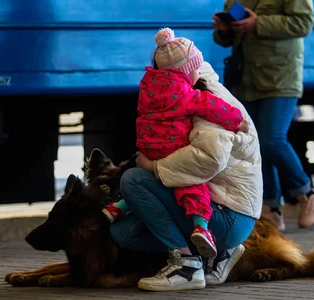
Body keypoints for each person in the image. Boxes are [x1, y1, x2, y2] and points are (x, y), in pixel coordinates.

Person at [109, 60, 263, 291]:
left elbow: (208, 160)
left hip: (229, 214)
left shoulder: (208, 108)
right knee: (125, 233)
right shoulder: (201, 93)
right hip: (224, 209)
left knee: (134, 179)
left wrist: (152, 165)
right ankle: (219, 253)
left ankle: (187, 267)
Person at [103, 27, 249, 259]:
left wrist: (152, 164)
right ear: (187, 70)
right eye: (194, 67)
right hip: (174, 148)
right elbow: (211, 107)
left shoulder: (147, 86)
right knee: (192, 185)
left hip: (149, 147)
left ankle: (118, 208)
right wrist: (237, 120)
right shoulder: (187, 93)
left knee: (148, 182)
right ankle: (201, 229)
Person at [212, 0, 314, 231]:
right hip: (246, 79)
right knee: (255, 145)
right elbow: (227, 38)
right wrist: (224, 31)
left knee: (271, 140)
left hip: (280, 77)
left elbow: (303, 22)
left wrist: (258, 23)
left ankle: (308, 194)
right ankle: (271, 209)